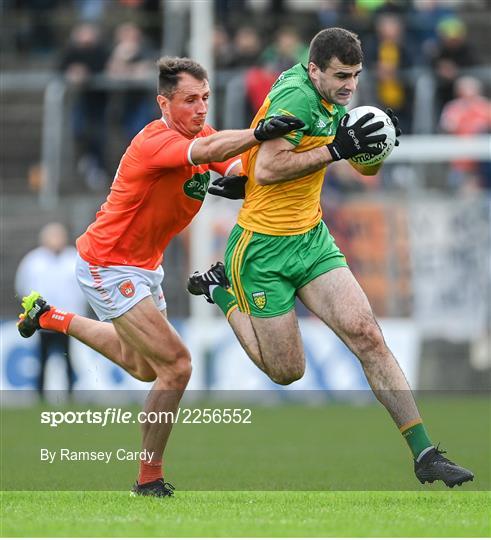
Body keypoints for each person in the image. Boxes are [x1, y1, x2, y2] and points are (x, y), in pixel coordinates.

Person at [188, 28, 474, 488]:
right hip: (261, 248)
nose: (349, 86)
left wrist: (374, 147)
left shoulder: (334, 97)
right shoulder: (296, 97)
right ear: (314, 68)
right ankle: (220, 290)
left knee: (368, 336)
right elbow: (267, 167)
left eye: (356, 76)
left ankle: (425, 454)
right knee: (287, 371)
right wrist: (338, 149)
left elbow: (362, 166)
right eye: (341, 76)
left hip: (312, 239)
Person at [17, 56, 303, 498]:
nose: (201, 108)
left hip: (145, 265)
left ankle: (51, 317)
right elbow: (209, 154)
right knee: (177, 366)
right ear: (164, 103)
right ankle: (148, 480)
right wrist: (259, 131)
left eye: (205, 98)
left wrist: (312, 152)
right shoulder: (155, 140)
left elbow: (245, 170)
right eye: (190, 100)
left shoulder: (204, 134)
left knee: (142, 367)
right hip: (107, 263)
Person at [15, 223, 87, 397]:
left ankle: (70, 394)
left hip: (68, 319)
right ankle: (39, 394)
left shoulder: (73, 258)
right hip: (42, 321)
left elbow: (84, 289)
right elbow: (22, 286)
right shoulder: (33, 260)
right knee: (42, 358)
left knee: (68, 358)